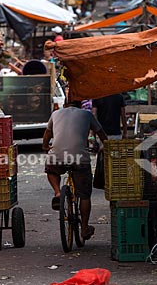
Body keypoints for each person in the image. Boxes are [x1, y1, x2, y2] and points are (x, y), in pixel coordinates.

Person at [42, 100, 107, 241]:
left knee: (52, 170)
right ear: (80, 105)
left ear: (65, 105)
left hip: (57, 156)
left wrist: (45, 147)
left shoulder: (56, 113)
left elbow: (47, 133)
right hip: (79, 158)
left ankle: (58, 192)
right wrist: (105, 145)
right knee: (84, 196)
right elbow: (101, 133)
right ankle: (84, 228)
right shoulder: (87, 114)